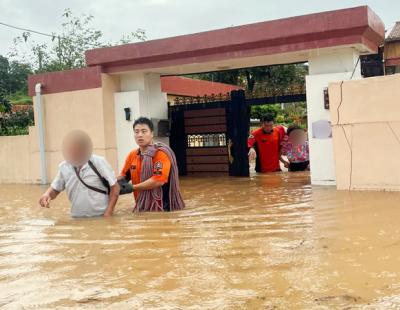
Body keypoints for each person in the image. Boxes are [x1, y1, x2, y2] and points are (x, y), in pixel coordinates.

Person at [38, 130, 120, 217]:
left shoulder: (98, 162)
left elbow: (115, 188)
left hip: (100, 216)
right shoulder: (64, 167)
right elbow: (55, 189)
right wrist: (47, 195)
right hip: (77, 218)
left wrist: (108, 213)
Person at [119, 117, 185, 212]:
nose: (140, 135)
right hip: (142, 206)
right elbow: (123, 177)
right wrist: (109, 181)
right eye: (136, 132)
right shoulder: (132, 155)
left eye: (144, 131)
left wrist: (132, 188)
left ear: (152, 134)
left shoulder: (161, 154)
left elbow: (158, 181)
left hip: (162, 208)